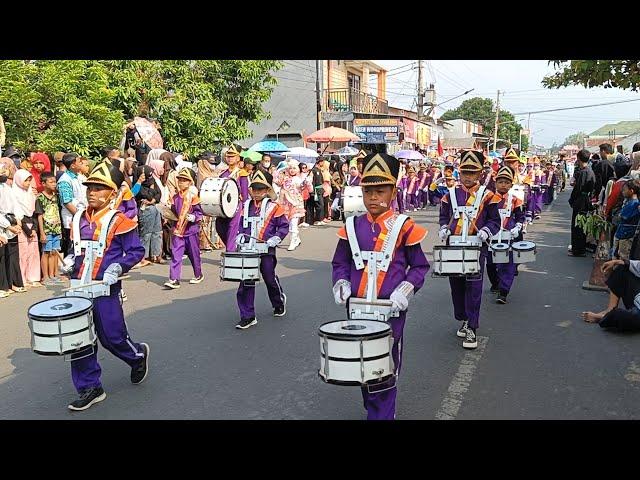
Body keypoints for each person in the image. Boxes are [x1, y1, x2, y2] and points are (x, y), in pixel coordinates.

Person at [331, 152, 429, 420]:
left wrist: (405, 290)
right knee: (363, 364)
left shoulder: (403, 227)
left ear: (393, 191)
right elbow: (340, 262)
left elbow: (419, 266)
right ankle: (374, 407)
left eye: (380, 190)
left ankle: (382, 414)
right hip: (358, 310)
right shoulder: (351, 226)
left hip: (391, 312)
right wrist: (340, 281)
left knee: (384, 367)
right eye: (368, 191)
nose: (373, 197)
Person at [65, 162, 149, 411]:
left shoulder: (120, 220)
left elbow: (135, 251)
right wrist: (70, 260)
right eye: (90, 187)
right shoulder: (78, 217)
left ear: (112, 194)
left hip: (105, 288)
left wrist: (119, 267)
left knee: (111, 336)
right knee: (79, 339)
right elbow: (75, 249)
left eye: (99, 188)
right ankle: (90, 387)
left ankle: (137, 356)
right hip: (79, 288)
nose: (92, 192)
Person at [439, 150, 501, 349]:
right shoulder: (450, 195)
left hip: (476, 248)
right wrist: (443, 229)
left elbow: (495, 221)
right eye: (465, 172)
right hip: (453, 247)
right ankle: (464, 318)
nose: (468, 176)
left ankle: (472, 327)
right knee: (456, 286)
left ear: (480, 173)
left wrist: (486, 231)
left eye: (472, 172)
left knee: (473, 287)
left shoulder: (488, 196)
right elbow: (444, 217)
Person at [233, 170, 289, 329]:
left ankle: (278, 301)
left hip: (267, 249)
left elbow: (283, 226)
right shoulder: (246, 206)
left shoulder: (274, 207)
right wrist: (239, 236)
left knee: (269, 278)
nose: (257, 192)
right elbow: (241, 224)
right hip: (248, 250)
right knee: (246, 281)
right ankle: (248, 316)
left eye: (260, 189)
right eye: (254, 189)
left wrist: (276, 238)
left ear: (267, 190)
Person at [485, 166, 526, 304]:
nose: (503, 185)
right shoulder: (488, 199)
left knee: (508, 264)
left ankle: (503, 292)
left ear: (511, 185)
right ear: (495, 183)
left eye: (506, 182)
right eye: (500, 182)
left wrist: (518, 226)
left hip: (509, 235)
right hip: (492, 235)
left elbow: (521, 216)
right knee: (491, 264)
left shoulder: (515, 200)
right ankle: (495, 283)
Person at [164, 168, 204, 289]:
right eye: (180, 180)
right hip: (178, 231)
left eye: (184, 180)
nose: (181, 182)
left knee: (194, 255)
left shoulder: (193, 197)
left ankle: (198, 274)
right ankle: (174, 279)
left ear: (190, 182)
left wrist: (194, 217)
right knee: (176, 255)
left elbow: (200, 213)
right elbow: (173, 213)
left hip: (191, 231)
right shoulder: (175, 197)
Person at [215, 144, 250, 252]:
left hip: (236, 205)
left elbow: (244, 193)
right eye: (228, 156)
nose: (230, 158)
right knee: (219, 227)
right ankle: (233, 248)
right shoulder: (223, 174)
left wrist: (244, 208)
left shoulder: (242, 173)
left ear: (238, 158)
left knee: (232, 229)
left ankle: (230, 253)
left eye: (233, 156)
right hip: (223, 206)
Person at [12, 169, 41, 288]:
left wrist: (34, 228)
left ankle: (32, 277)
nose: (28, 183)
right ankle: (22, 279)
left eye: (29, 180)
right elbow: (18, 214)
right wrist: (28, 231)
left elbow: (34, 212)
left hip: (31, 225)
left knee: (33, 253)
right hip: (21, 226)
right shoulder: (14, 194)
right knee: (22, 254)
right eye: (25, 180)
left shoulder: (30, 194)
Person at [0, 162, 25, 296]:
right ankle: (2, 286)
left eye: (6, 170)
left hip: (11, 222)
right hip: (3, 225)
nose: (5, 172)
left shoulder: (7, 187)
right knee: (2, 256)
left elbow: (15, 205)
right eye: (3, 170)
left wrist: (19, 221)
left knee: (12, 255)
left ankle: (12, 283)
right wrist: (8, 226)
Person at [35, 172, 64, 286]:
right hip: (46, 230)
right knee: (46, 252)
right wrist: (42, 233)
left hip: (56, 229)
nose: (54, 184)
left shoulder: (56, 196)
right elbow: (40, 216)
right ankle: (45, 276)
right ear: (43, 183)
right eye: (51, 182)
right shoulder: (40, 198)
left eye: (54, 182)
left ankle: (53, 274)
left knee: (54, 252)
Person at [58, 153, 89, 257]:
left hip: (83, 215)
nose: (81, 163)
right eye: (79, 162)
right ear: (73, 165)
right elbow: (67, 202)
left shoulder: (81, 177)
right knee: (72, 247)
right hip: (72, 218)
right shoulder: (64, 180)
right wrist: (80, 216)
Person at [133, 165, 163, 266]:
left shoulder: (152, 181)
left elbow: (158, 194)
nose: (150, 177)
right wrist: (151, 194)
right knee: (146, 234)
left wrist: (153, 200)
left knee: (157, 232)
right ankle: (143, 257)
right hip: (145, 209)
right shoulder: (138, 185)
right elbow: (148, 195)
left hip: (155, 207)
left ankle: (156, 254)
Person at [569, 149, 596, 257]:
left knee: (577, 226)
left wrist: (572, 200)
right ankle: (579, 248)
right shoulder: (589, 171)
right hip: (585, 199)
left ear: (579, 158)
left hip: (581, 200)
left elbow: (578, 189)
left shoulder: (584, 172)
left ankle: (578, 250)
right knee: (581, 225)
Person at [275, 159, 306, 251]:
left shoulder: (299, 179)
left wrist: (306, 183)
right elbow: (276, 181)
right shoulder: (284, 178)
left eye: (294, 168)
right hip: (285, 204)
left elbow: (304, 187)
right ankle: (296, 239)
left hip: (296, 204)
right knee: (287, 223)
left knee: (293, 223)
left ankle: (293, 241)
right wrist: (280, 170)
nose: (292, 170)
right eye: (290, 168)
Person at [308, 157, 326, 226]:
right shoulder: (314, 170)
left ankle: (320, 219)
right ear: (320, 162)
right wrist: (312, 191)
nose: (323, 163)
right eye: (323, 161)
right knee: (319, 205)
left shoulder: (319, 170)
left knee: (321, 204)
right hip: (316, 190)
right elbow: (313, 181)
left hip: (319, 189)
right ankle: (318, 219)